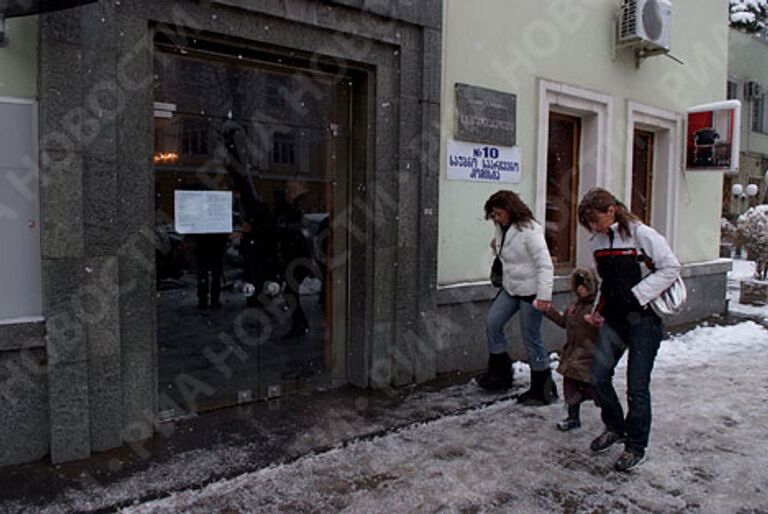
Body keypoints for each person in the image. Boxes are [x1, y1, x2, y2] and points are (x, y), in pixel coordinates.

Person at [577, 187, 680, 472]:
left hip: (644, 321)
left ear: (611, 211)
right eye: (589, 224)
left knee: (637, 385)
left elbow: (671, 267)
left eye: (596, 221)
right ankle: (615, 427)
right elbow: (605, 281)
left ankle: (636, 446)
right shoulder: (597, 241)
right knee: (598, 378)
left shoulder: (641, 235)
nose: (594, 228)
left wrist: (638, 295)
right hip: (614, 320)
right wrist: (597, 310)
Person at [479, 190, 557, 406]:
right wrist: (497, 248)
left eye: (498, 213)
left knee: (531, 337)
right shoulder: (502, 228)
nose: (496, 218)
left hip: (532, 292)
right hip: (511, 288)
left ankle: (543, 388)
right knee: (492, 322)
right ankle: (500, 373)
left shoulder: (530, 230)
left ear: (510, 210)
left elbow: (544, 264)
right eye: (493, 214)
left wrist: (544, 296)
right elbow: (513, 260)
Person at [543, 268, 599, 431]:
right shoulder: (574, 307)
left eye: (584, 285)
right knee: (571, 389)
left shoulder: (597, 308)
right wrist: (548, 310)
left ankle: (612, 421)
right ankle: (573, 417)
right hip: (572, 355)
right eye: (578, 285)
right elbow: (563, 322)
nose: (581, 289)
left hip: (589, 357)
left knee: (596, 390)